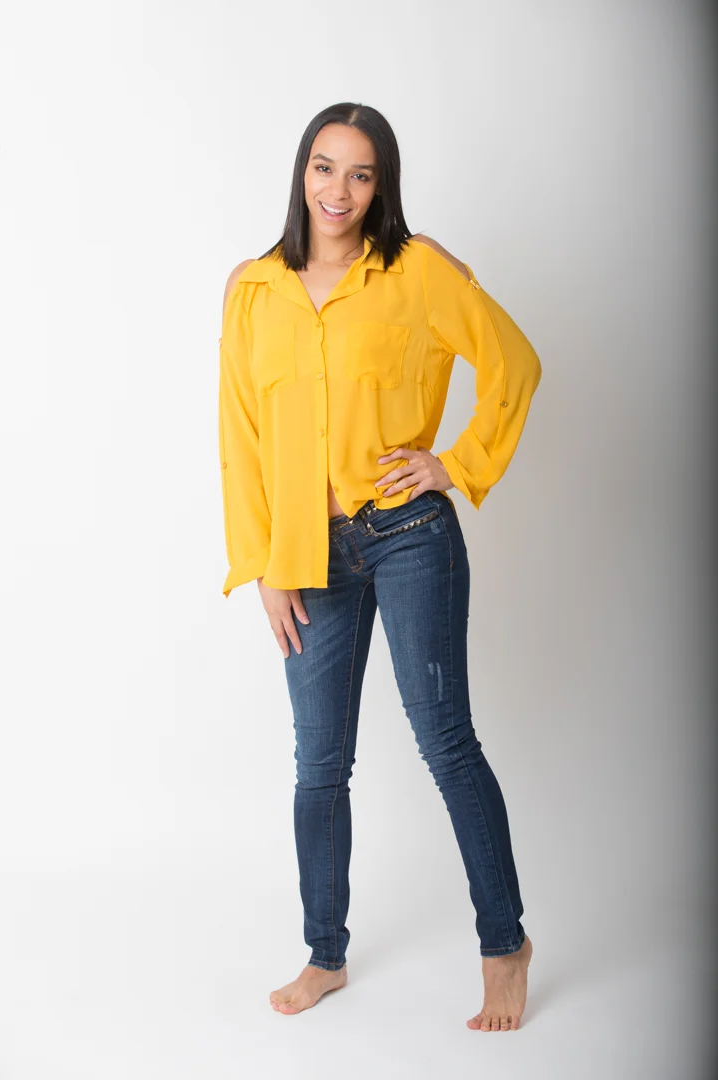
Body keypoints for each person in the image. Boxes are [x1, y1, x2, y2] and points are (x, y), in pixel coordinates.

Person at [218, 102, 541, 1032]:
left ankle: (504, 943)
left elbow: (514, 363)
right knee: (318, 761)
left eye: (361, 173)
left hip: (408, 535)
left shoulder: (416, 271)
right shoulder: (253, 290)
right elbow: (239, 436)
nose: (339, 189)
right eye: (325, 167)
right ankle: (325, 955)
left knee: (445, 740)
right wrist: (263, 565)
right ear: (302, 172)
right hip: (303, 553)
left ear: (381, 185)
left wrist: (457, 464)